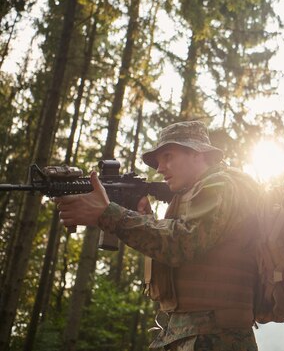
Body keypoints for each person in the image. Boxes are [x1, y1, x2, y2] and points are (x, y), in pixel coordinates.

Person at [55, 121, 261, 351]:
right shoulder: (193, 193)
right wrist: (147, 221)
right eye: (158, 161)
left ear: (196, 153)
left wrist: (109, 214)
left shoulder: (219, 186)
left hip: (216, 338)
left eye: (168, 156)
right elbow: (184, 247)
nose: (159, 168)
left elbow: (183, 244)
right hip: (188, 335)